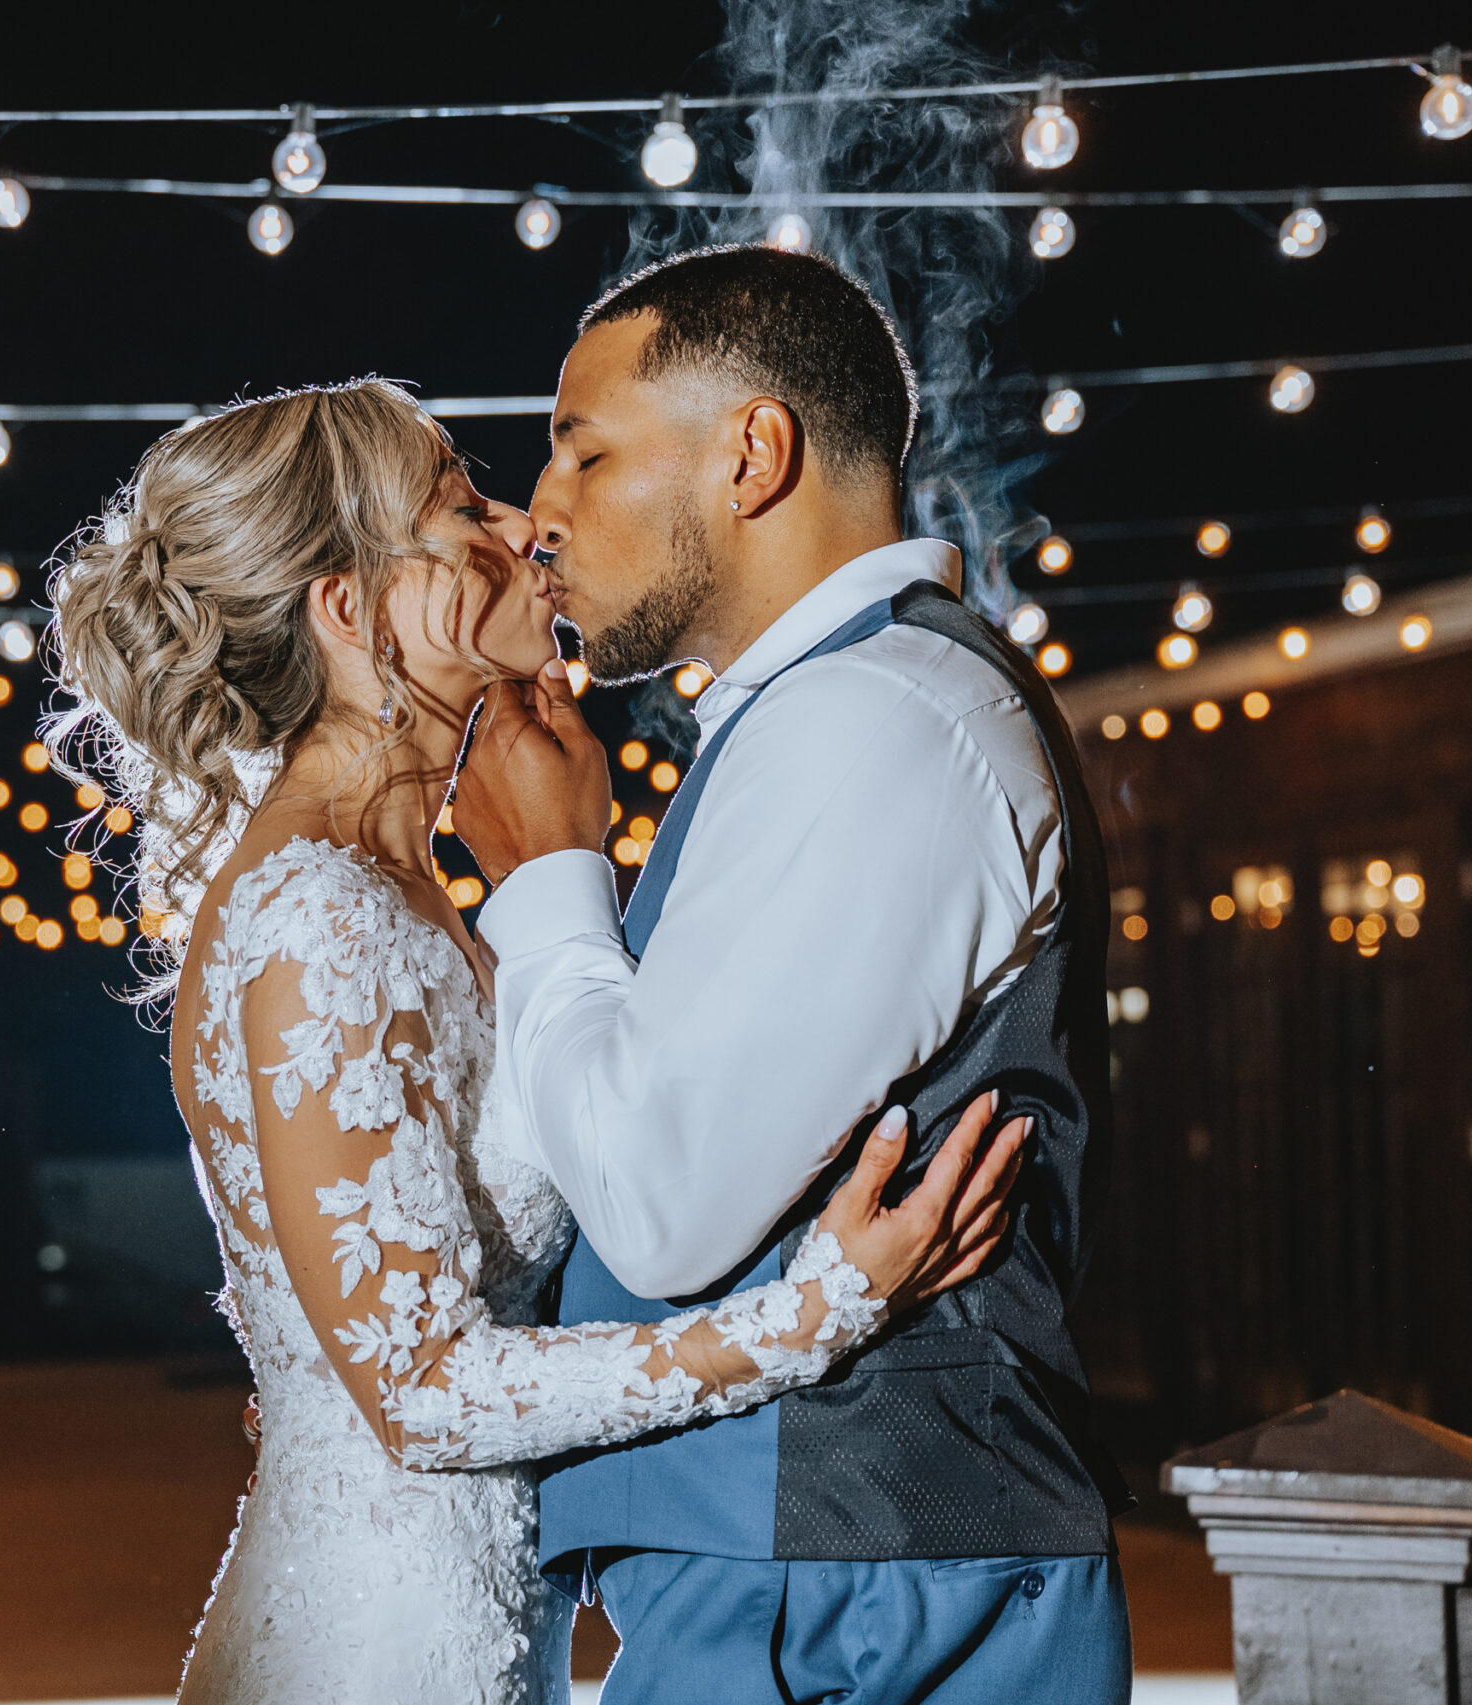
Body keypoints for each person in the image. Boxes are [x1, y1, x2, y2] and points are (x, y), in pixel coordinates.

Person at [43, 377, 1031, 1704]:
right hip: (377, 1649)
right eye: (461, 506)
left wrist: (563, 863)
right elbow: (423, 1394)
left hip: (476, 1622)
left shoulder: (410, 887)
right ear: (352, 609)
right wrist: (812, 1315)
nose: (522, 525)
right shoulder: (311, 917)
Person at [449, 244, 1134, 1704]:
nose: (540, 516)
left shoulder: (877, 718)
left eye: (583, 452)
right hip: (804, 1561)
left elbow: (662, 1194)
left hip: (853, 1584)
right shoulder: (828, 713)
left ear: (754, 452)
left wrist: (550, 879)